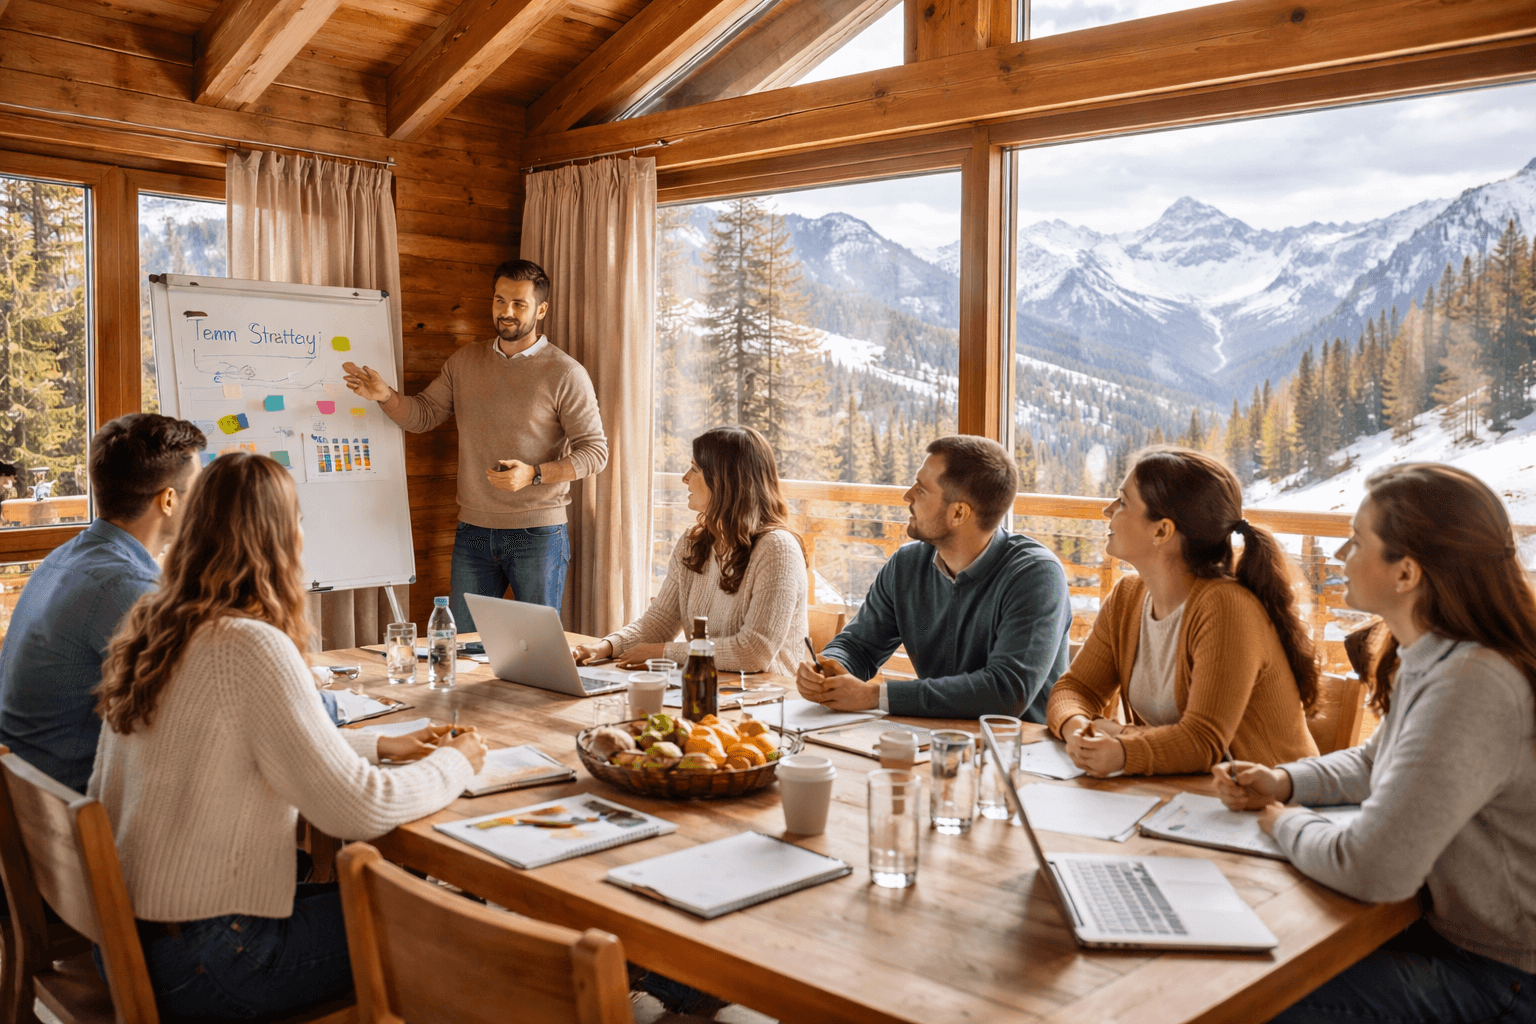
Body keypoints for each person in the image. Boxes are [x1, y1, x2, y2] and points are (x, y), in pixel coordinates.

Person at [89, 451, 487, 1021]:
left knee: (411, 899)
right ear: (279, 539)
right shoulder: (249, 644)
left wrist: (378, 745)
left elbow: (237, 746)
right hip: (216, 959)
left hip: (141, 941)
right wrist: (457, 761)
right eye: (299, 520)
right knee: (457, 930)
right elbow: (359, 809)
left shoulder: (157, 622)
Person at [1214, 463, 1536, 1024]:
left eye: (1358, 541)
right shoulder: (1442, 653)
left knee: (1241, 997)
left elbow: (1372, 869)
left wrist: (1279, 819)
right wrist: (1287, 781)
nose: (1340, 554)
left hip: (1503, 977)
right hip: (1455, 940)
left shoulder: (1474, 684)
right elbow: (1376, 761)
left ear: (1406, 572)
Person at [342, 259, 608, 629]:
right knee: (463, 651)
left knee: (538, 649)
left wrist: (534, 474)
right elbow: (423, 415)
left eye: (519, 304)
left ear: (541, 309)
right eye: (500, 301)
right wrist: (386, 395)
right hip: (474, 532)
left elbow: (595, 452)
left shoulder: (566, 373)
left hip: (538, 535)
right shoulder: (464, 361)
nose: (507, 312)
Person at [1046, 446, 1318, 776]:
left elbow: (1202, 742)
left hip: (1266, 806)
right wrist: (1077, 729)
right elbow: (1075, 689)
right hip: (1187, 797)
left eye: (1122, 502)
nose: (1107, 510)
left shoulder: (1226, 608)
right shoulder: (1128, 597)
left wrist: (1122, 744)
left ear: (1162, 531)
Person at [794, 434, 1071, 719]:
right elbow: (859, 646)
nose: (908, 496)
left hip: (1018, 751)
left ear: (959, 513)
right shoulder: (907, 564)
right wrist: (828, 669)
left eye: (922, 490)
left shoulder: (1037, 576)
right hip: (931, 736)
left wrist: (875, 696)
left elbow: (1005, 692)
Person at [0, 415, 205, 791]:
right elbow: (204, 707)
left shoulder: (64, 559)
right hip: (77, 814)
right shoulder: (127, 587)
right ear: (169, 500)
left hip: (33, 804)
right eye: (198, 490)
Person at [573, 426, 807, 674]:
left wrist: (663, 652)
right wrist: (605, 647)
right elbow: (661, 621)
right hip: (706, 686)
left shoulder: (778, 549)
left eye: (695, 469)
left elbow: (753, 653)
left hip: (767, 698)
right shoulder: (693, 542)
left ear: (725, 481)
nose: (685, 477)